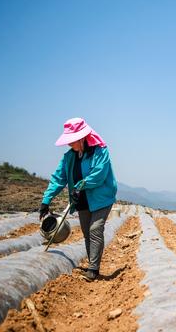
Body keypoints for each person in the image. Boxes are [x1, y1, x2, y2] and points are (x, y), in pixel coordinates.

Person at [40, 118, 117, 281]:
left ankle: (93, 270)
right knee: (86, 232)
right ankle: (92, 264)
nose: (69, 144)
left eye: (72, 140)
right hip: (81, 200)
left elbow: (99, 174)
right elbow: (58, 178)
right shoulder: (69, 157)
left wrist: (81, 185)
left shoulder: (100, 151)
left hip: (101, 197)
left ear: (81, 138)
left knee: (95, 229)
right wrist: (46, 201)